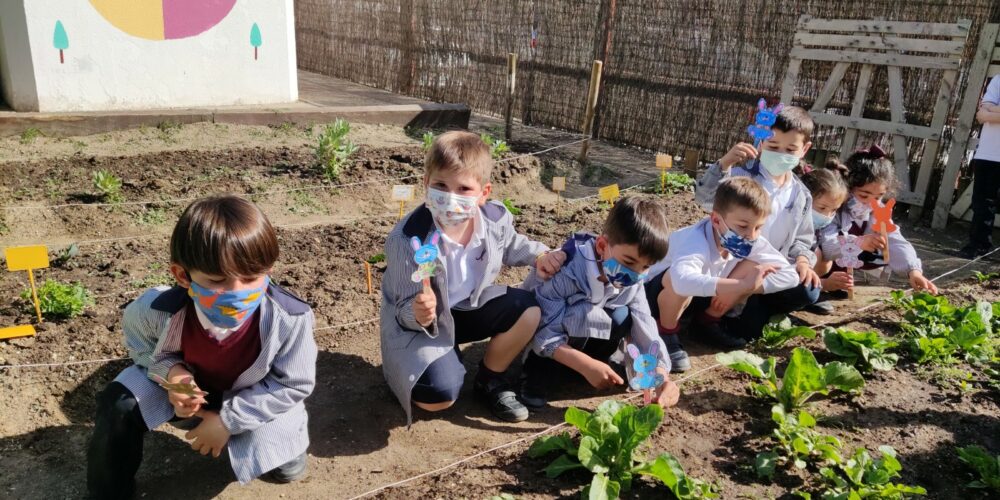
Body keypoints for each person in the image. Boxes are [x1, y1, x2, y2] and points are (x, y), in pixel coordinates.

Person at [87, 196, 317, 499]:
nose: (237, 293)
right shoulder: (151, 310)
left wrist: (227, 420)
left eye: (250, 278)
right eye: (217, 280)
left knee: (284, 467)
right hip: (186, 400)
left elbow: (292, 384)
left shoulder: (290, 318)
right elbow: (143, 351)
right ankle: (110, 490)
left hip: (252, 400)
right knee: (119, 403)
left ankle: (279, 449)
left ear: (268, 269)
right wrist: (175, 376)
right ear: (183, 276)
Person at [380, 130, 566, 425]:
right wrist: (418, 314)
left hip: (470, 307)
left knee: (528, 308)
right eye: (441, 185)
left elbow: (512, 245)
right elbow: (401, 309)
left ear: (484, 193)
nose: (451, 197)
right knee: (438, 397)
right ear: (426, 184)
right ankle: (406, 369)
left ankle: (490, 380)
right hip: (429, 323)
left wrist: (541, 255)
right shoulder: (407, 240)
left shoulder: (495, 219)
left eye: (464, 188)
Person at [520, 197, 680, 407]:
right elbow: (543, 330)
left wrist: (660, 373)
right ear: (602, 245)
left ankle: (590, 365)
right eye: (629, 262)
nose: (635, 274)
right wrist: (584, 364)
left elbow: (644, 322)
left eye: (645, 267)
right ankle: (537, 374)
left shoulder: (633, 279)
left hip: (581, 334)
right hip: (543, 340)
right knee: (580, 314)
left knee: (623, 316)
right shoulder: (564, 270)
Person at [690, 106, 820, 349]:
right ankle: (716, 315)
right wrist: (724, 163)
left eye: (790, 149)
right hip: (732, 266)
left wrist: (803, 259)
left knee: (809, 290)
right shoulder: (741, 175)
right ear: (760, 143)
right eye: (773, 146)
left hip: (769, 270)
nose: (781, 154)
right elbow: (705, 199)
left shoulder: (801, 194)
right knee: (748, 331)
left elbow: (803, 238)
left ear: (804, 149)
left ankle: (753, 307)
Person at [645, 177, 800, 351]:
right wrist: (738, 285)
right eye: (743, 226)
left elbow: (790, 275)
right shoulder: (694, 240)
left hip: (698, 297)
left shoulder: (752, 241)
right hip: (654, 300)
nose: (751, 235)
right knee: (677, 277)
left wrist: (747, 287)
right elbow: (681, 281)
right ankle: (666, 331)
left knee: (754, 266)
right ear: (716, 220)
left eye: (758, 227)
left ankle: (706, 322)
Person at [818, 147, 937, 295]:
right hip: (823, 261)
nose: (870, 203)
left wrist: (913, 270)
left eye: (878, 197)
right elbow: (828, 246)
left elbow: (894, 240)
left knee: (882, 251)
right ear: (848, 188)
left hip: (851, 260)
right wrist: (859, 242)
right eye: (864, 195)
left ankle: (838, 283)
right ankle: (821, 284)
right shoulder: (834, 209)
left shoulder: (879, 211)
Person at [959, 74, 1000, 259]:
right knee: (982, 203)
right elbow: (982, 115)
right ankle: (978, 247)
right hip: (988, 153)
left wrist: (993, 111)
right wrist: (989, 113)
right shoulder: (998, 79)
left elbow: (988, 112)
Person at [801, 166, 851, 314]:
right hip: (784, 276)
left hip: (802, 273)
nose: (827, 215)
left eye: (834, 210)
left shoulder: (820, 226)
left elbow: (830, 244)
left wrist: (855, 243)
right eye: (822, 208)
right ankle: (809, 291)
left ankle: (811, 291)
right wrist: (825, 284)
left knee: (824, 259)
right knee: (816, 256)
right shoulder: (790, 224)